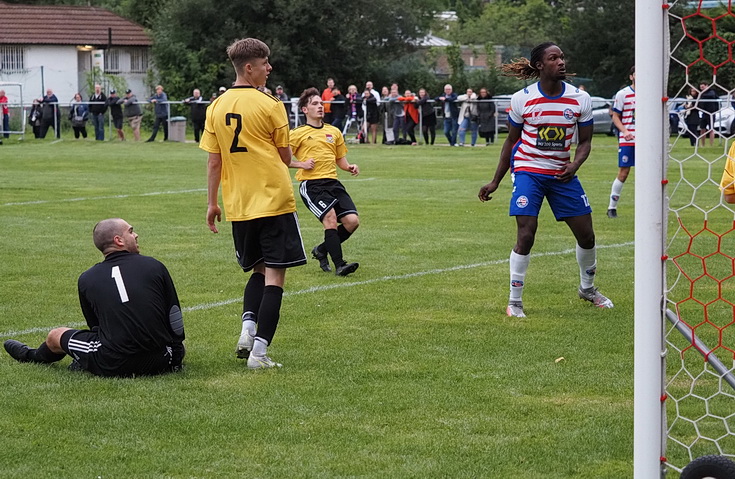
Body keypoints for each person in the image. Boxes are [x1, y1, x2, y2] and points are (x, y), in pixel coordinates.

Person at [478, 41, 613, 318]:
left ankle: (587, 289)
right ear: (540, 65)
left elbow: (585, 142)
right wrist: (496, 181)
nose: (561, 62)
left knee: (586, 236)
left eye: (562, 57)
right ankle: (514, 301)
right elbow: (511, 142)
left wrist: (574, 166)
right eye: (554, 58)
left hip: (563, 174)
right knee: (526, 234)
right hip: (528, 171)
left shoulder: (579, 99)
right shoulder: (522, 99)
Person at [201, 37, 307, 369]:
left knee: (257, 269)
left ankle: (248, 329)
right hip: (273, 199)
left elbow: (214, 162)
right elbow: (285, 154)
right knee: (275, 275)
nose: (269, 68)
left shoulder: (215, 107)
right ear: (249, 68)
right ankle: (259, 354)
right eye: (265, 64)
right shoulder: (270, 104)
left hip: (239, 204)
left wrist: (211, 203)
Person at [3, 218, 186, 377]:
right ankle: (82, 359)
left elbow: (97, 328)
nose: (136, 235)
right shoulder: (154, 266)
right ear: (119, 240)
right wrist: (176, 357)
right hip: (163, 359)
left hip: (114, 364)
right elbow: (174, 314)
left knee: (55, 335)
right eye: (131, 231)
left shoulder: (87, 278)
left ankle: (31, 355)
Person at [289, 87, 361, 276]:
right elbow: (283, 158)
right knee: (329, 219)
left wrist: (349, 167)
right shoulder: (297, 133)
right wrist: (301, 164)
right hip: (312, 185)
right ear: (305, 109)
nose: (320, 106)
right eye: (315, 104)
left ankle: (321, 250)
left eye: (321, 103)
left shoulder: (334, 131)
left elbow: (340, 159)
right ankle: (340, 265)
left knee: (352, 222)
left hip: (333, 183)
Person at [607, 66, 636, 219]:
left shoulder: (650, 93)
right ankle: (612, 208)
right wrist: (625, 132)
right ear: (631, 76)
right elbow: (615, 116)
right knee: (624, 173)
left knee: (649, 174)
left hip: (646, 142)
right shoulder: (623, 94)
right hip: (628, 140)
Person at [698, 81, 718, 147]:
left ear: (707, 86)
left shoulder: (712, 92)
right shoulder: (701, 94)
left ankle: (711, 145)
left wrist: (702, 94)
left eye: (703, 87)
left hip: (711, 113)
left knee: (711, 129)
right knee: (702, 129)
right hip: (704, 113)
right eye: (701, 87)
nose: (701, 89)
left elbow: (712, 96)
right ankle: (702, 144)